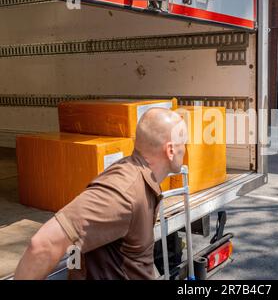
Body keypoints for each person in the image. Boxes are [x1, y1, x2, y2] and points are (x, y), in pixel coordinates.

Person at [14, 108, 187, 280]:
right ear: (170, 150)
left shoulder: (142, 180)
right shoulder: (123, 192)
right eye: (183, 144)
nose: (185, 149)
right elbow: (44, 244)